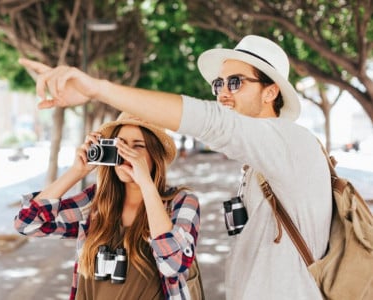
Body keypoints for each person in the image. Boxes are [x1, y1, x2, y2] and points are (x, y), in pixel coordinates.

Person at [19, 34, 332, 299]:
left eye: (235, 82)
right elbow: (28, 222)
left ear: (271, 91)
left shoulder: (290, 143)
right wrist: (77, 170)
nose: (223, 93)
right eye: (218, 83)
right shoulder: (256, 169)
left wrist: (97, 89)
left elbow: (214, 123)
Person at [14, 112, 201, 299]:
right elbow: (27, 223)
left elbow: (173, 265)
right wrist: (76, 172)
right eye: (120, 146)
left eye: (137, 147)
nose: (126, 154)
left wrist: (146, 184)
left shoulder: (181, 202)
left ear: (155, 155)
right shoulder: (95, 201)